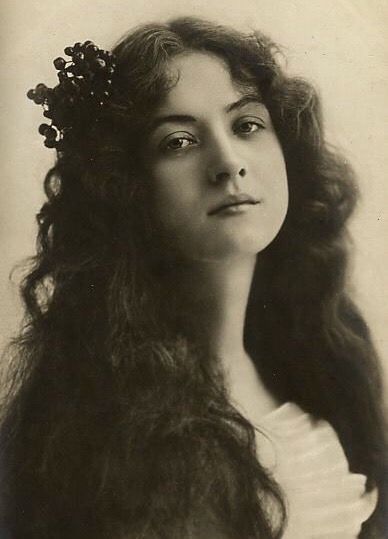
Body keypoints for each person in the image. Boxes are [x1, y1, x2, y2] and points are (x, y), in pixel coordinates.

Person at [0, 16, 387, 539]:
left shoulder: (321, 363)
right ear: (125, 188)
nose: (229, 163)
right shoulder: (111, 426)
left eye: (247, 125)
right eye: (179, 142)